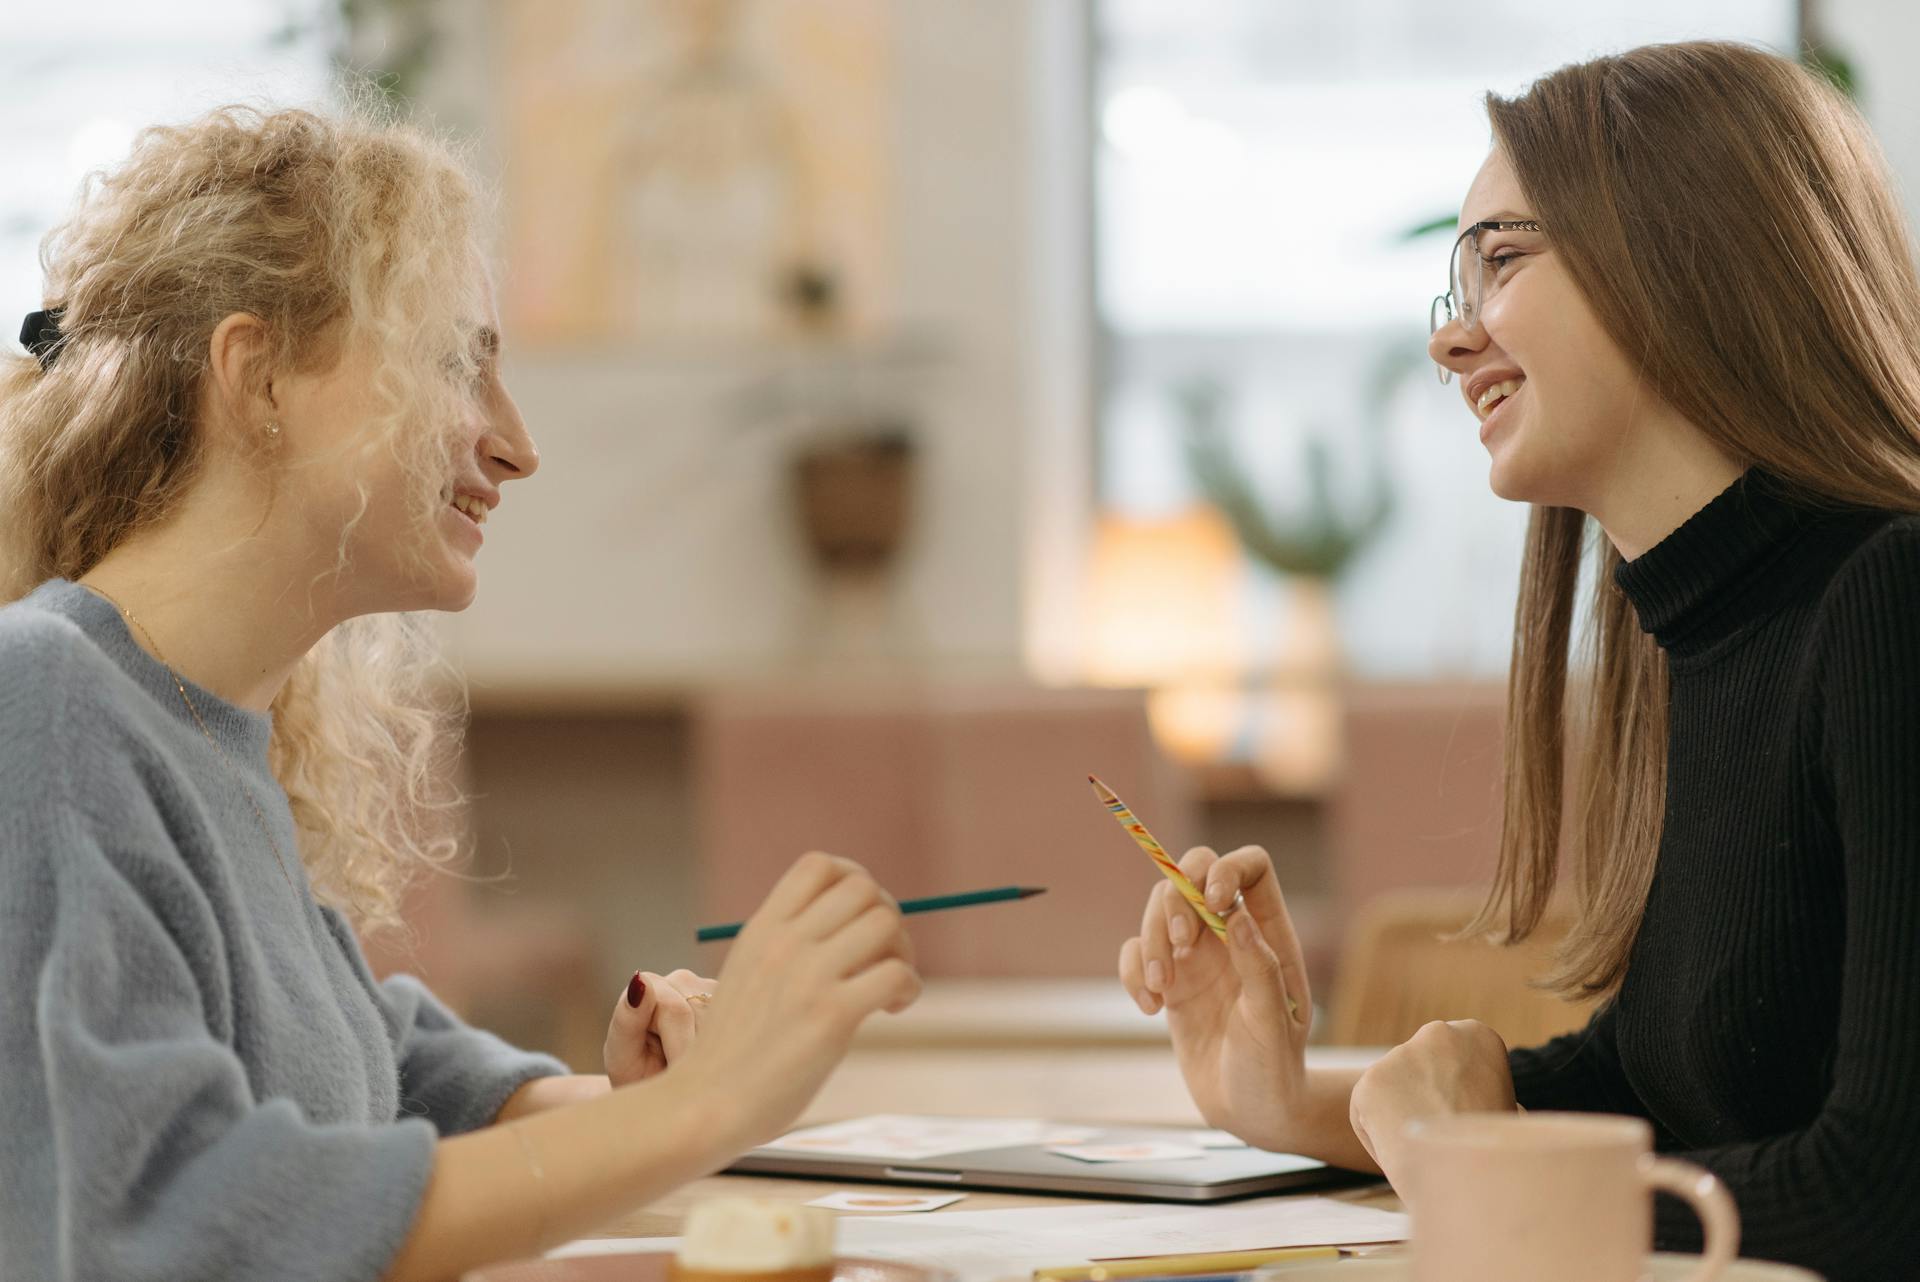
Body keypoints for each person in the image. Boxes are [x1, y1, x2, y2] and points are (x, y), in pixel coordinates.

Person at [0, 103, 921, 1282]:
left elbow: (376, 1079)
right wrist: (704, 1107)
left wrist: (657, 1090)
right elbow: (186, 1221)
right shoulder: (45, 700)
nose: (517, 445)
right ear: (257, 373)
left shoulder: (201, 729)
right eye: (455, 362)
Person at [1118, 40, 1920, 1282]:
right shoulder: (1709, 636)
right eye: (1458, 282)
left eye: (1500, 259)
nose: (1454, 341)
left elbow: (1884, 1199)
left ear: (1682, 254)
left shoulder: (1892, 596)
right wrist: (1288, 1103)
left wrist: (1469, 1163)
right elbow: (1653, 1088)